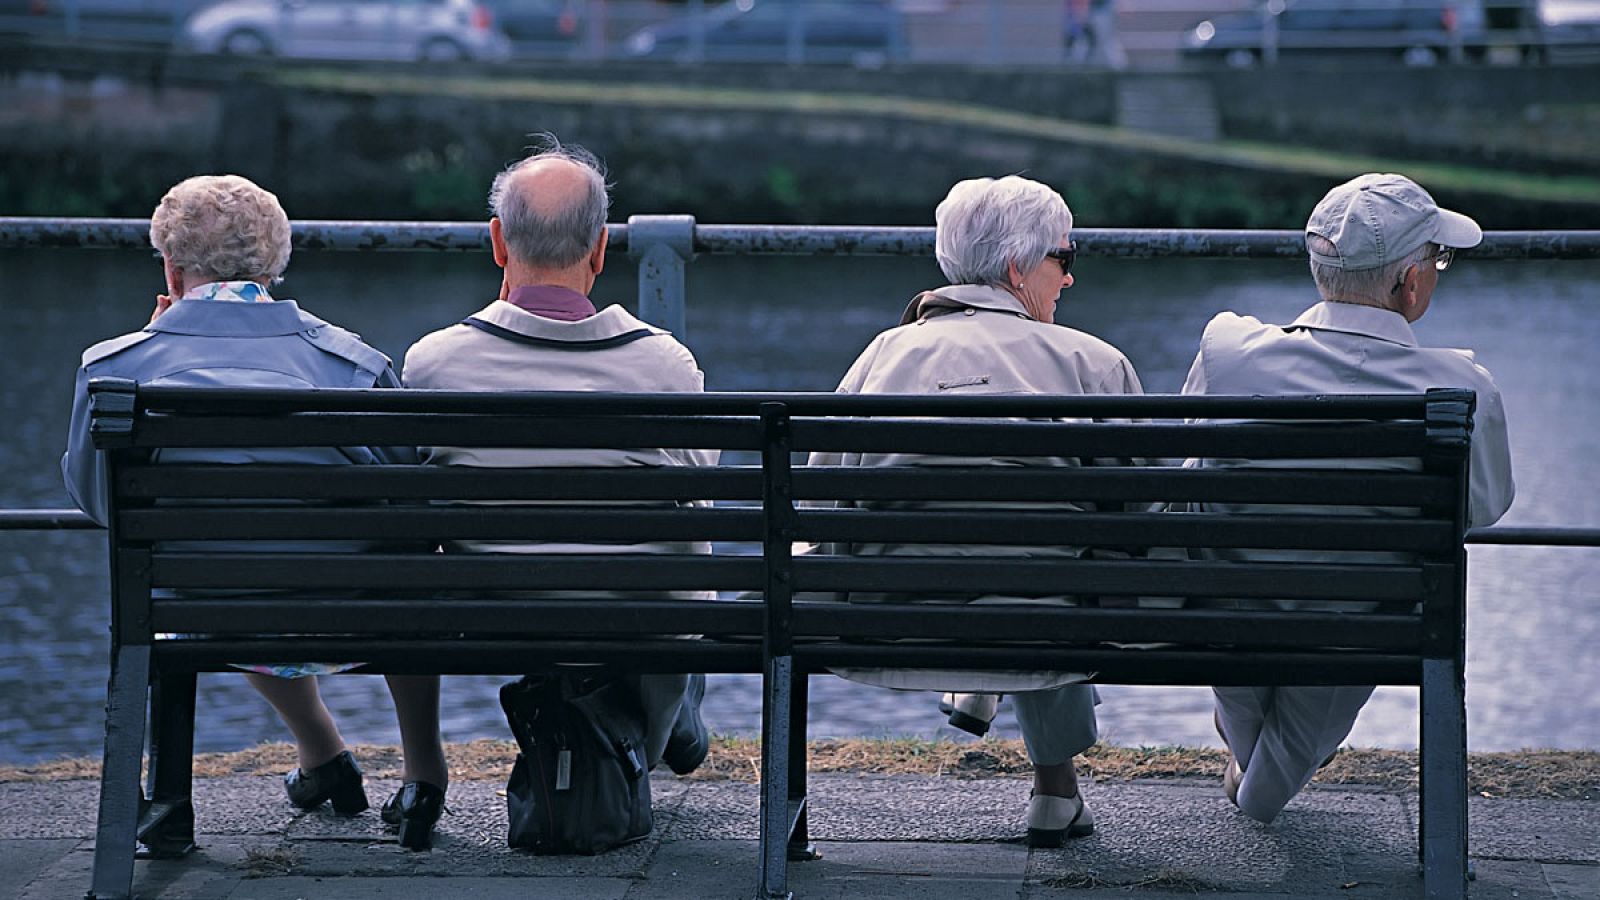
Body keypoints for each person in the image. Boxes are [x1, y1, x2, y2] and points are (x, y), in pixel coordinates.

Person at [60, 175, 446, 842]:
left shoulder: (114, 371)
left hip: (199, 608)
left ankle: (315, 756)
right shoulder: (352, 366)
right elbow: (407, 500)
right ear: (275, 266)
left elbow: (101, 506)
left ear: (172, 268)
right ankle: (423, 772)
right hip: (353, 608)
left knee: (218, 563)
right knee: (404, 553)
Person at [811, 175, 1146, 847]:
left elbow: (821, 504)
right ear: (1020, 268)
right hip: (1053, 626)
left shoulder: (881, 358)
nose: (1070, 280)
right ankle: (1052, 788)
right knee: (1060, 572)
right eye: (1065, 259)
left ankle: (1023, 747)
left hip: (886, 623)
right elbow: (1141, 515)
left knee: (1036, 568)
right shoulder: (1094, 364)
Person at [1182, 172, 1515, 823]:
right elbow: (1483, 507)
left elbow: (1187, 473)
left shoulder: (1229, 353)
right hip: (1363, 624)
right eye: (1436, 258)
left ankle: (1244, 761)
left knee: (1255, 756)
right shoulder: (1459, 386)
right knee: (1260, 796)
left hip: (1226, 611)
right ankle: (1249, 778)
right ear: (1410, 283)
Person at [400, 136, 712, 822]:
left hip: (489, 619)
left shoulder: (431, 365)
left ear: (497, 243)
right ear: (601, 249)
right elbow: (697, 506)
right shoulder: (666, 369)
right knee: (686, 531)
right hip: (634, 619)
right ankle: (656, 734)